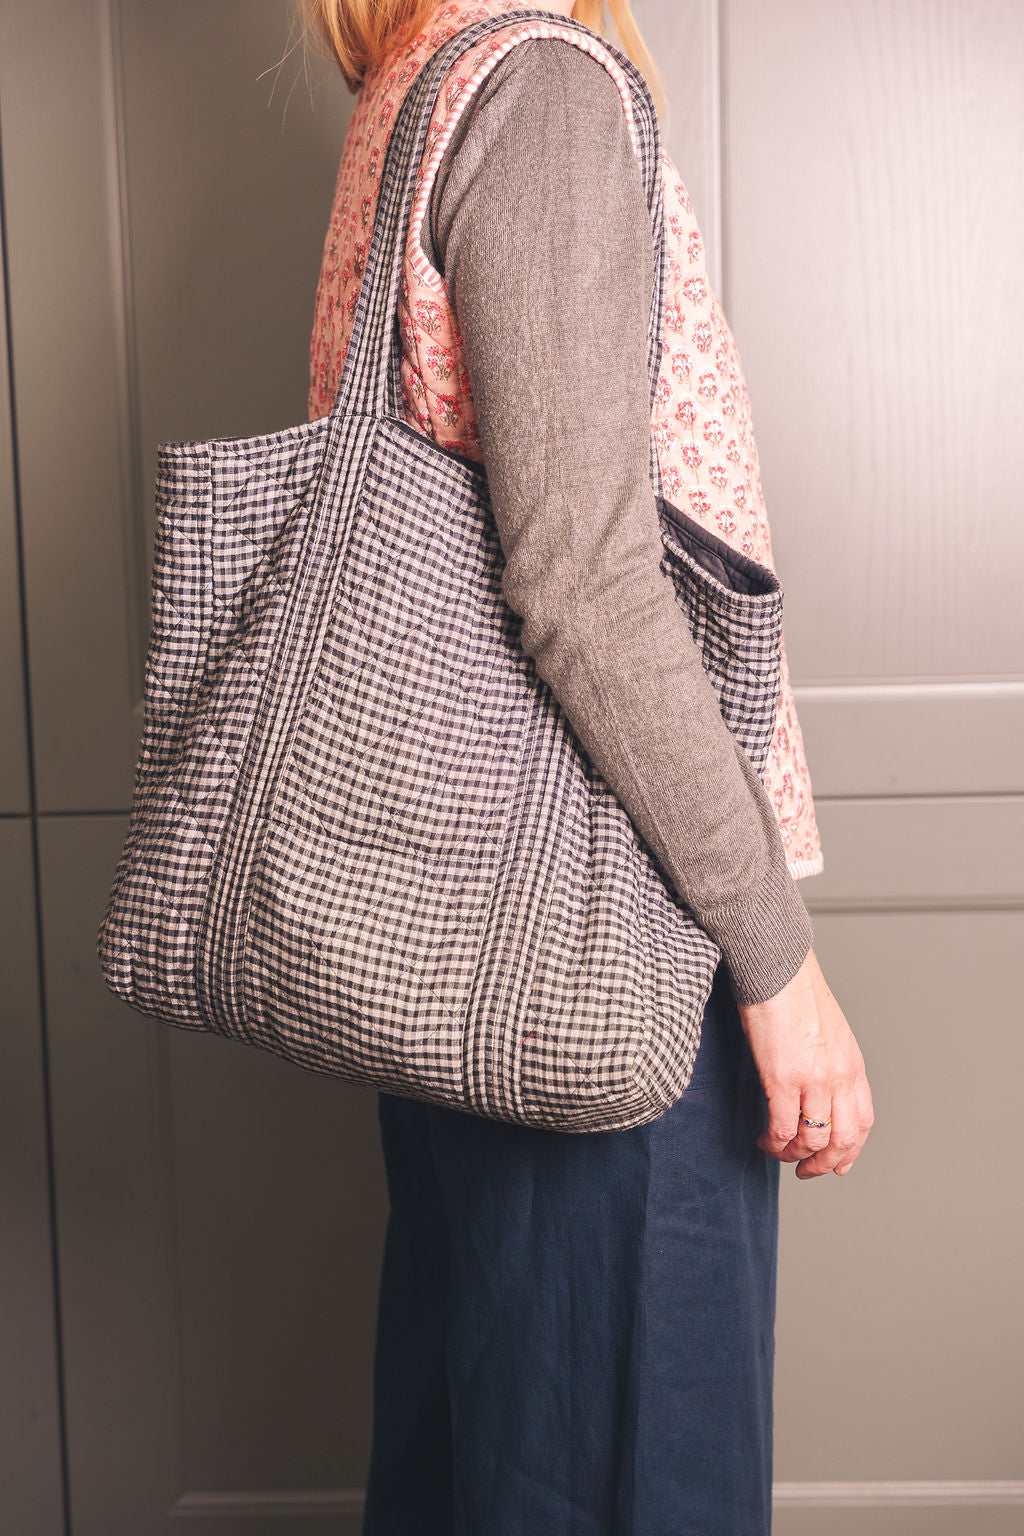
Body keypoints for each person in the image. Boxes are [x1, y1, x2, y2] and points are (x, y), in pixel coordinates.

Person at [300, 1, 875, 1530]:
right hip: (605, 947)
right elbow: (586, 585)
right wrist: (777, 959)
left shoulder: (414, 81)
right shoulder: (537, 81)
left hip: (465, 934)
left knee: (487, 1458)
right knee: (638, 1476)